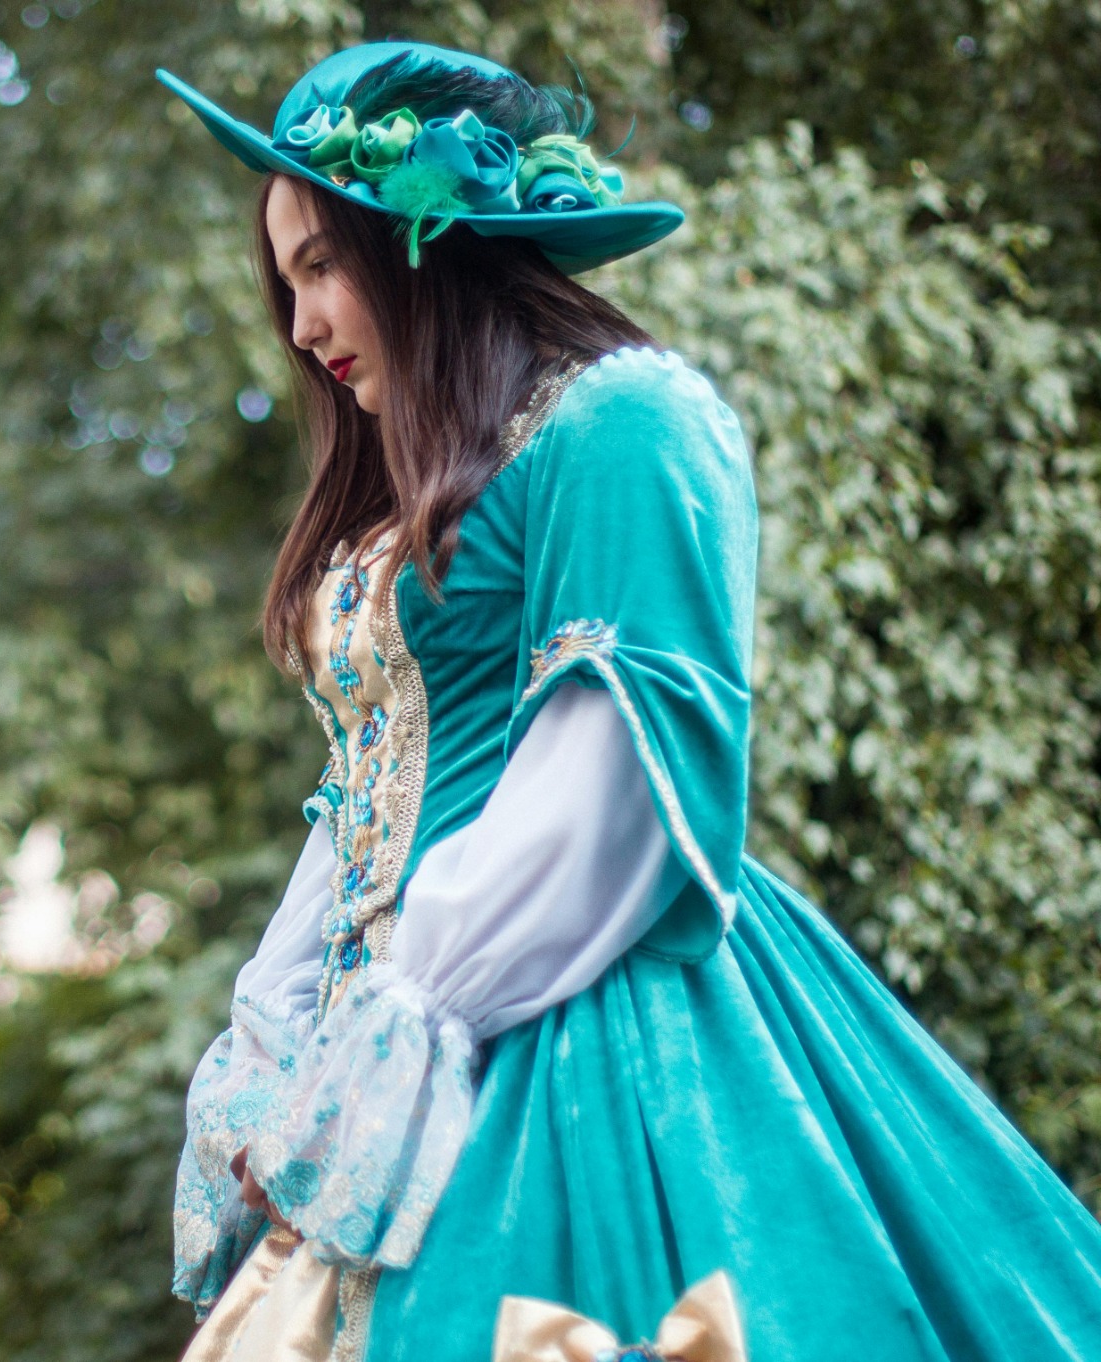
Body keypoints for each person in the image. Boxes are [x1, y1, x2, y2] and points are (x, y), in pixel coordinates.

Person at [157, 41, 1101, 1362]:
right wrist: (281, 1034)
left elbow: (607, 788)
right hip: (399, 1033)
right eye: (289, 279)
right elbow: (361, 796)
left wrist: (399, 1033)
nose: (304, 328)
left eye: (321, 265)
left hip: (574, 1022)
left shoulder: (627, 424)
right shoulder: (412, 499)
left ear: (426, 243)